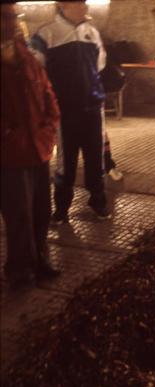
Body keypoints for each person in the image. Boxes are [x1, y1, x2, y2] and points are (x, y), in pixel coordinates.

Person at [31, 0, 111, 223]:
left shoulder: (92, 33)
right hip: (64, 110)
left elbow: (100, 64)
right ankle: (62, 207)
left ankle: (98, 201)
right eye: (79, 3)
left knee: (96, 157)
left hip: (93, 107)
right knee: (66, 161)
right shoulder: (46, 34)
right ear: (63, 6)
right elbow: (36, 72)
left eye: (85, 3)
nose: (84, 7)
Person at [1, 2, 61, 288]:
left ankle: (40, 258)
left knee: (41, 210)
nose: (11, 22)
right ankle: (19, 269)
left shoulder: (25, 55)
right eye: (5, 17)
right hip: (10, 155)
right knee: (19, 215)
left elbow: (48, 93)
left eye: (14, 16)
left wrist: (49, 129)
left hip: (38, 148)